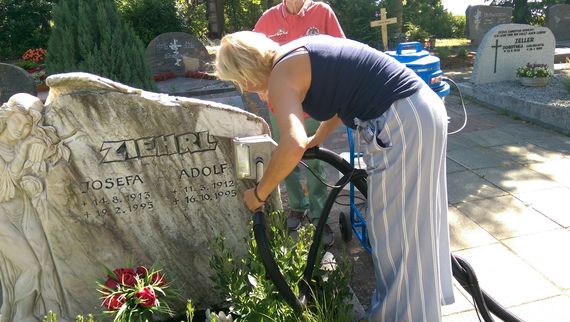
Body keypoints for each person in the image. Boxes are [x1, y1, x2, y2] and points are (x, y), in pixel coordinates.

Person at [215, 31, 454, 321]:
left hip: (403, 119)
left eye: (240, 82)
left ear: (246, 74)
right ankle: (412, 311)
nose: (246, 88)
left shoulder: (281, 74)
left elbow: (291, 144)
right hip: (416, 111)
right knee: (411, 226)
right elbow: (344, 97)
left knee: (397, 236)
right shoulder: (296, 53)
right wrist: (318, 136)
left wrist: (259, 194)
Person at [253, 0, 345, 245]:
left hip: (315, 104)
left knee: (315, 158)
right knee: (286, 156)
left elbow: (341, 52)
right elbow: (252, 58)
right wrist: (261, 86)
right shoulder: (268, 19)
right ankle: (297, 206)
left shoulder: (322, 12)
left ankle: (319, 215)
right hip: (281, 103)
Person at [0, 94, 68, 322]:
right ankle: (22, 316)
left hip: (25, 211)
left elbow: (51, 150)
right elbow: (7, 181)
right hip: (2, 219)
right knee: (30, 267)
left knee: (45, 263)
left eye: (28, 124)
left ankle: (50, 313)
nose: (21, 128)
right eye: (17, 121)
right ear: (6, 117)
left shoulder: (25, 142)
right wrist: (27, 146)